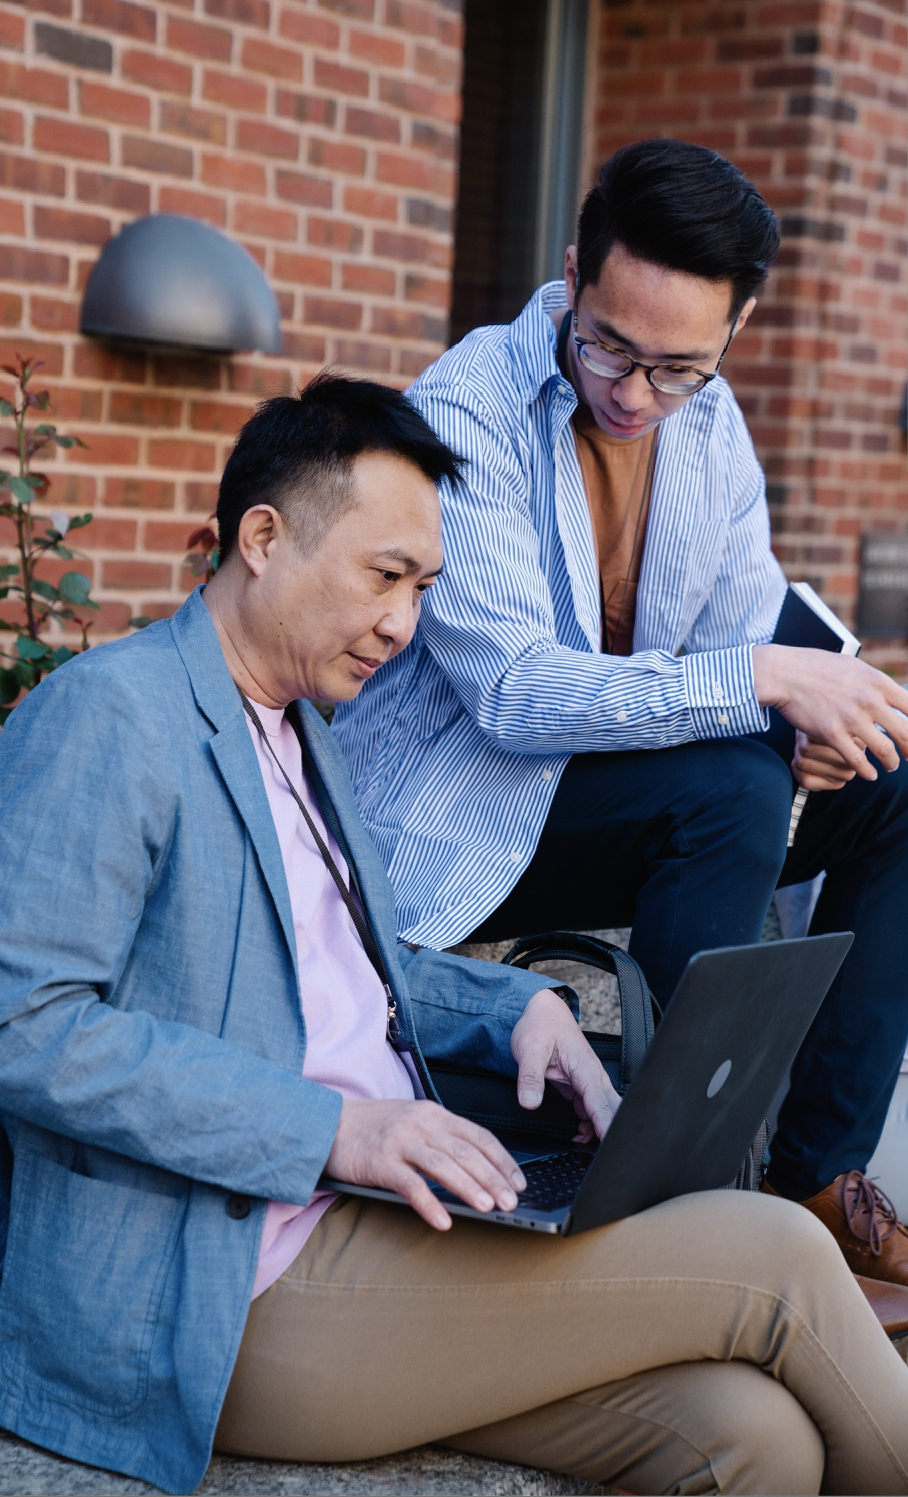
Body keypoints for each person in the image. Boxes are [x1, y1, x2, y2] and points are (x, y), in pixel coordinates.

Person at [0, 375, 908, 1497]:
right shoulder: (108, 712)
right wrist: (334, 1130)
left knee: (747, 1438)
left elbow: (353, 965)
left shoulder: (302, 732)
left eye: (422, 586)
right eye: (383, 578)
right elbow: (17, 1028)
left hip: (372, 1224)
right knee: (778, 1252)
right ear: (262, 537)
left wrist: (516, 1009)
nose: (403, 623)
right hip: (219, 1287)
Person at [334, 139, 908, 1290]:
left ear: (733, 329)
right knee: (727, 786)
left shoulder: (708, 419)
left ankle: (813, 1176)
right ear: (571, 272)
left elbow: (742, 615)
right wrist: (757, 685)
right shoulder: (463, 410)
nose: (632, 392)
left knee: (891, 785)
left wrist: (819, 724)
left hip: (623, 788)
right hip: (463, 818)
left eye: (676, 366)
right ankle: (682, 1207)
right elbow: (511, 696)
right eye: (606, 345)